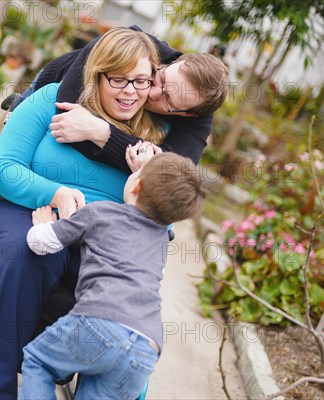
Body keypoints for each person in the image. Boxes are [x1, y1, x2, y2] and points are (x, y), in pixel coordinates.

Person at [0, 27, 160, 399]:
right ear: (97, 73)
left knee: (128, 296)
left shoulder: (152, 137)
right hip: (25, 208)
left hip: (99, 237)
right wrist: (55, 192)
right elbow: (5, 168)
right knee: (32, 253)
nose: (131, 91)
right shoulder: (51, 99)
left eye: (141, 80)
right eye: (119, 78)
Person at [19, 152, 206, 399]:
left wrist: (43, 225)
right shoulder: (161, 240)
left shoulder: (100, 213)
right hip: (146, 348)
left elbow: (39, 243)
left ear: (136, 183)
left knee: (38, 361)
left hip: (97, 321)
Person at [18, 25, 230, 171]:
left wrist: (102, 133)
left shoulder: (198, 114)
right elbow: (69, 119)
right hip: (56, 77)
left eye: (168, 100)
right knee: (20, 123)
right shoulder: (135, 41)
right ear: (174, 61)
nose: (153, 92)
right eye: (161, 78)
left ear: (187, 113)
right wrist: (133, 156)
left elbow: (171, 174)